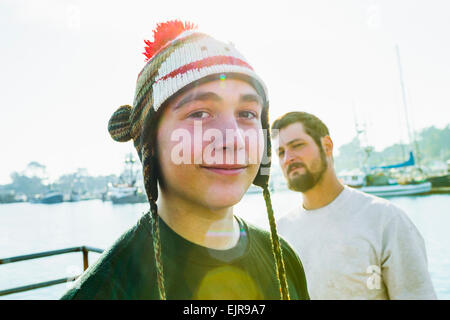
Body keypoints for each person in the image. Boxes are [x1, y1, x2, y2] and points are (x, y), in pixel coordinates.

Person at [61, 21, 309, 300]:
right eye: (200, 113)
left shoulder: (284, 260)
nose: (233, 139)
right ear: (149, 141)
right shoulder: (101, 293)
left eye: (247, 114)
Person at [271, 111, 436, 300]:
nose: (288, 158)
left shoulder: (385, 220)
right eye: (281, 152)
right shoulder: (280, 233)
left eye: (297, 146)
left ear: (327, 146)